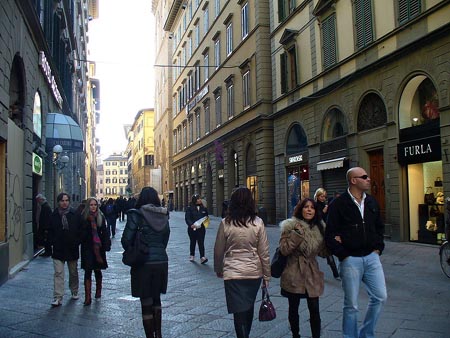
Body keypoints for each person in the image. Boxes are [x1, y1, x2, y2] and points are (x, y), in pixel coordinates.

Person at [325, 167, 387, 338]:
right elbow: (329, 234)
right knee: (351, 304)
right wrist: (343, 254)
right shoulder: (338, 204)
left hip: (371, 257)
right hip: (350, 259)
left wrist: (378, 248)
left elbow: (379, 227)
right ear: (353, 180)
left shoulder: (372, 201)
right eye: (364, 177)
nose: (369, 179)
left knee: (380, 297)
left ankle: (366, 333)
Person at [214, 187, 271, 338]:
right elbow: (264, 252)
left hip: (233, 272)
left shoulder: (225, 223)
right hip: (253, 272)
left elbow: (218, 250)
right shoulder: (258, 223)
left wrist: (218, 268)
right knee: (249, 306)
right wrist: (266, 276)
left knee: (238, 310)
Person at [121, 187, 170, 338]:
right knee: (156, 299)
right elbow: (165, 239)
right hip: (161, 261)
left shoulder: (136, 214)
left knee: (146, 301)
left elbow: (126, 240)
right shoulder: (163, 215)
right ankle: (159, 334)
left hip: (144, 262)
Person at [278, 198, 327, 338]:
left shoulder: (320, 227)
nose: (309, 209)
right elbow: (284, 249)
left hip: (312, 273)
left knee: (315, 309)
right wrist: (296, 235)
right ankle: (295, 334)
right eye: (306, 207)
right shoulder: (290, 226)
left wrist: (333, 242)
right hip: (293, 272)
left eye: (312, 207)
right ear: (301, 209)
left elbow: (323, 252)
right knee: (293, 308)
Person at [47, 193, 81, 307]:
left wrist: (77, 241)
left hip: (72, 248)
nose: (64, 202)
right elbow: (50, 231)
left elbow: (80, 229)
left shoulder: (75, 214)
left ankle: (74, 290)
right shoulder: (53, 215)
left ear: (69, 202)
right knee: (58, 273)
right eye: (62, 200)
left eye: (66, 200)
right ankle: (58, 297)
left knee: (73, 272)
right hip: (58, 249)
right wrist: (52, 242)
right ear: (58, 202)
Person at [79, 197, 111, 306]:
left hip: (98, 248)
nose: (93, 207)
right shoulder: (83, 217)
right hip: (87, 247)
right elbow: (80, 233)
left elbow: (105, 233)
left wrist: (106, 245)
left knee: (97, 270)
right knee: (88, 271)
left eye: (95, 205)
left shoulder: (101, 217)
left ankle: (98, 290)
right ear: (88, 206)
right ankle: (87, 297)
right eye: (91, 205)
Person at [314, 188, 340, 279]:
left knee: (328, 253)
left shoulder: (325, 205)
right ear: (317, 196)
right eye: (321, 196)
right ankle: (314, 273)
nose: (323, 198)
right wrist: (323, 212)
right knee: (313, 254)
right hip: (316, 233)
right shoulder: (314, 206)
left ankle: (336, 274)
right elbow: (315, 219)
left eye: (324, 196)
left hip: (325, 232)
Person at [185, 194, 209, 263]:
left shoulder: (203, 208)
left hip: (201, 228)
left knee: (201, 242)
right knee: (193, 242)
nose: (200, 200)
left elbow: (206, 216)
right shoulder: (189, 208)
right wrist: (191, 224)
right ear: (194, 200)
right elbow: (187, 218)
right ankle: (192, 255)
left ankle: (202, 257)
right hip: (192, 228)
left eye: (200, 198)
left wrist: (206, 221)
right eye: (198, 199)